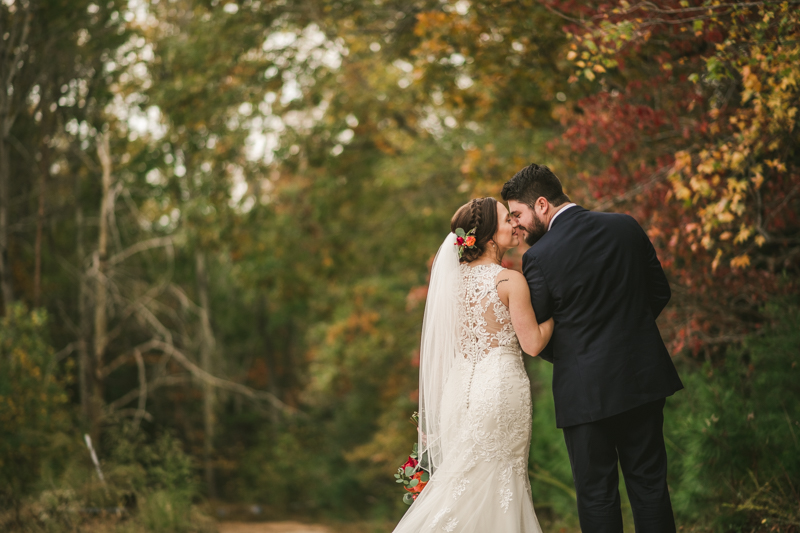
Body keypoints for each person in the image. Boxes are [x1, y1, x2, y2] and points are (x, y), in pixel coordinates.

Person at [501, 164, 684, 533]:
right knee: (650, 485)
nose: (516, 225)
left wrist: (576, 356)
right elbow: (660, 291)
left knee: (597, 494)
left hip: (585, 393)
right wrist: (630, 332)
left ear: (541, 205)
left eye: (517, 214)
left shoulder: (538, 257)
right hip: (643, 378)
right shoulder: (625, 225)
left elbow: (541, 331)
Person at [392, 197, 554, 533]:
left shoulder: (451, 284)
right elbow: (534, 343)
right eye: (507, 219)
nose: (515, 223)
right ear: (490, 234)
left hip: (459, 390)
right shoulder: (508, 281)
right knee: (499, 480)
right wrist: (560, 312)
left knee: (465, 481)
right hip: (498, 389)